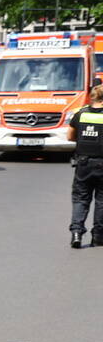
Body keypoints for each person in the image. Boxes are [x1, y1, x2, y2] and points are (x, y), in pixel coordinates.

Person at [66, 84, 103, 248]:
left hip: (83, 163)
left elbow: (70, 136)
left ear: (91, 97)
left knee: (81, 199)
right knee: (102, 201)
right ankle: (98, 236)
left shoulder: (80, 113)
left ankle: (76, 232)